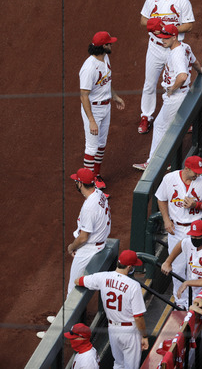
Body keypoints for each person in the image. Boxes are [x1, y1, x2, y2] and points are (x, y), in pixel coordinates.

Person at [133, 24, 202, 171]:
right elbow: (194, 61)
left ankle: (155, 162)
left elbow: (182, 76)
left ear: (174, 37)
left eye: (166, 38)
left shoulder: (176, 54)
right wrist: (200, 70)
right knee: (168, 125)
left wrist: (171, 90)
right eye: (161, 37)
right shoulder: (184, 47)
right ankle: (164, 160)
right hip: (181, 95)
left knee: (160, 125)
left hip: (176, 96)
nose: (163, 40)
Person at [139, 0, 195, 134]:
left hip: (174, 49)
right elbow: (143, 20)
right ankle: (146, 116)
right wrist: (153, 25)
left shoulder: (182, 1)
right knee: (149, 83)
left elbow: (189, 25)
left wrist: (171, 28)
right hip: (155, 48)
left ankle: (182, 117)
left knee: (180, 83)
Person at [153, 155, 202, 308]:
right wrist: (166, 219)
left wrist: (197, 205)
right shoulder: (170, 179)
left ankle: (197, 300)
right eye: (195, 171)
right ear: (186, 168)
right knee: (179, 267)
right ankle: (181, 302)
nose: (198, 174)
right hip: (177, 229)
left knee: (197, 266)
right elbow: (161, 198)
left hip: (197, 229)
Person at [75, 250, 149, 369]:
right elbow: (138, 316)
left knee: (118, 364)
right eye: (134, 265)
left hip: (113, 329)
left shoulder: (103, 277)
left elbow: (79, 281)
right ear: (129, 266)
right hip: (129, 331)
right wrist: (144, 336)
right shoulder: (133, 285)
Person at [79, 31, 125, 190]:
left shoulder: (105, 58)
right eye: (109, 43)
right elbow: (84, 96)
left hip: (106, 107)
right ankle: (87, 183)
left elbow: (106, 81)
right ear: (103, 46)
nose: (111, 44)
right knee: (91, 147)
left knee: (101, 144)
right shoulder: (89, 68)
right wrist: (91, 120)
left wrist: (115, 96)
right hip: (93, 109)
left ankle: (95, 175)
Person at [161, 220, 202, 308]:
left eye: (197, 237)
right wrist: (168, 262)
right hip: (196, 295)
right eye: (192, 236)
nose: (194, 239)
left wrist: (187, 283)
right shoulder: (189, 242)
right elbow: (180, 244)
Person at [67, 168, 111, 297]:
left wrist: (72, 247)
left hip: (89, 249)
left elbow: (83, 238)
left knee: (72, 288)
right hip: (99, 242)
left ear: (80, 184)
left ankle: (71, 317)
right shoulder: (99, 193)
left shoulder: (89, 207)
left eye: (76, 181)